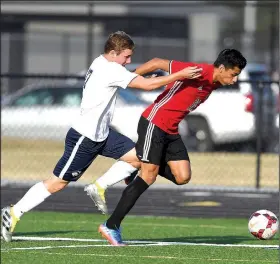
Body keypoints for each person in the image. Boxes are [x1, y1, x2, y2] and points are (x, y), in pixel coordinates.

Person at [1, 31, 202, 242]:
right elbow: (147, 85)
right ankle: (13, 212)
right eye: (126, 56)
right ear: (114, 53)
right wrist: (180, 75)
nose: (129, 60)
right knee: (57, 183)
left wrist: (144, 77)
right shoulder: (110, 69)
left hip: (103, 135)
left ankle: (98, 186)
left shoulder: (103, 63)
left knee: (138, 157)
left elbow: (133, 79)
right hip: (84, 138)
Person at [97, 48, 247, 246]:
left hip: (171, 130)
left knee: (182, 177)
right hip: (154, 123)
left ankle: (140, 159)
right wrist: (129, 79)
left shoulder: (216, 82)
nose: (235, 79)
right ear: (220, 68)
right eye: (233, 74)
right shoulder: (199, 71)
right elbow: (158, 62)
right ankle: (112, 225)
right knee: (148, 175)